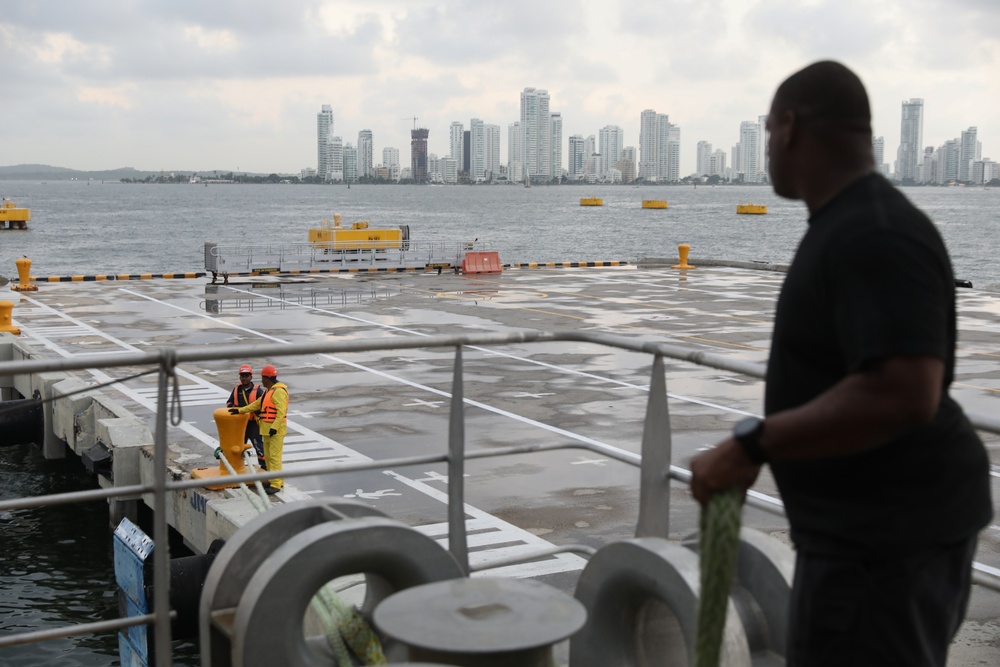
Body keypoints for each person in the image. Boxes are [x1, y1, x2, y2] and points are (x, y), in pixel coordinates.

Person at [689, 61, 992, 667]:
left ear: (790, 128)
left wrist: (752, 444)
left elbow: (904, 393)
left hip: (884, 546)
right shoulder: (850, 223)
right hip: (868, 534)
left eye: (767, 129)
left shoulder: (875, 233)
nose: (766, 147)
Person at [230, 364, 288, 495]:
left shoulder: (278, 391)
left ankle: (276, 484)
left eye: (263, 378)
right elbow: (256, 404)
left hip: (274, 430)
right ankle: (274, 479)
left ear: (268, 378)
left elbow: (281, 412)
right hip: (266, 429)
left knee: (274, 457)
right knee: (268, 457)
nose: (261, 381)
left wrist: (274, 427)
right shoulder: (269, 391)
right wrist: (239, 410)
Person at [226, 364, 266, 469]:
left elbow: (263, 405)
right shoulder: (236, 390)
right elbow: (229, 403)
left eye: (246, 376)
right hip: (240, 424)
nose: (244, 378)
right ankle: (236, 466)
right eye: (242, 376)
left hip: (253, 424)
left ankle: (264, 467)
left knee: (258, 446)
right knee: (237, 447)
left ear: (251, 377)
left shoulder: (258, 390)